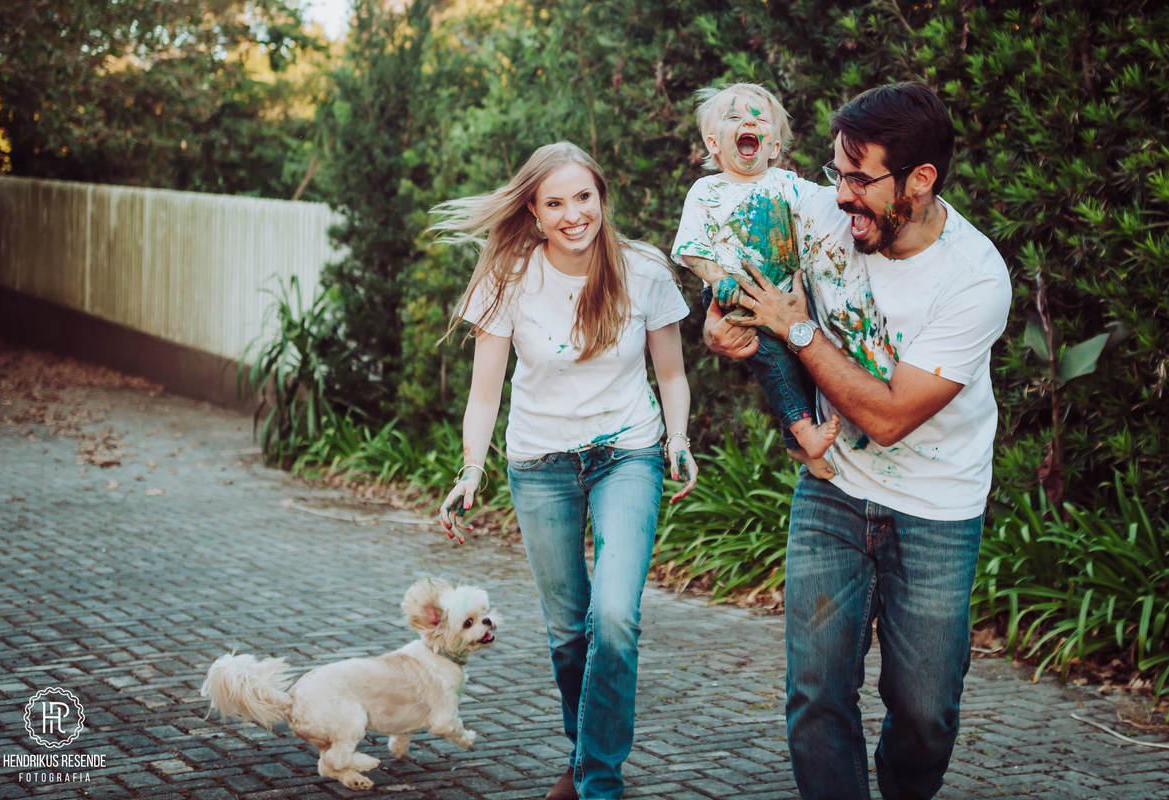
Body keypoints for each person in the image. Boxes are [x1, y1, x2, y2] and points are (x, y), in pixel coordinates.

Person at [704, 82, 1012, 800]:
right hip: (832, 493)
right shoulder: (819, 217)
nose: (840, 196)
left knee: (925, 714)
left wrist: (796, 328)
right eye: (835, 171)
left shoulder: (974, 278)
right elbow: (748, 297)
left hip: (937, 509)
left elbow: (891, 415)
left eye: (858, 178)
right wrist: (724, 327)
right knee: (815, 695)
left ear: (920, 180)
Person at [431, 141, 699, 800]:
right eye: (556, 202)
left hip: (626, 454)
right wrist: (471, 469)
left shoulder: (642, 268)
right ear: (534, 209)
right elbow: (486, 391)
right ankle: (586, 759)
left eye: (584, 197)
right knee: (568, 631)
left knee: (613, 617)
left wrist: (679, 439)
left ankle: (597, 782)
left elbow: (671, 371)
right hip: (539, 464)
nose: (573, 213)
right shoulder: (508, 274)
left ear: (602, 197)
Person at [671, 82, 840, 479]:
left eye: (759, 118)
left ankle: (799, 443)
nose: (748, 120)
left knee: (810, 365)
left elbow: (831, 207)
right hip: (738, 298)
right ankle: (805, 436)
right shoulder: (706, 191)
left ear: (774, 147)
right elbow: (690, 248)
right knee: (776, 364)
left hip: (789, 297)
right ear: (713, 144)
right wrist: (718, 276)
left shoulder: (789, 185)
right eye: (734, 117)